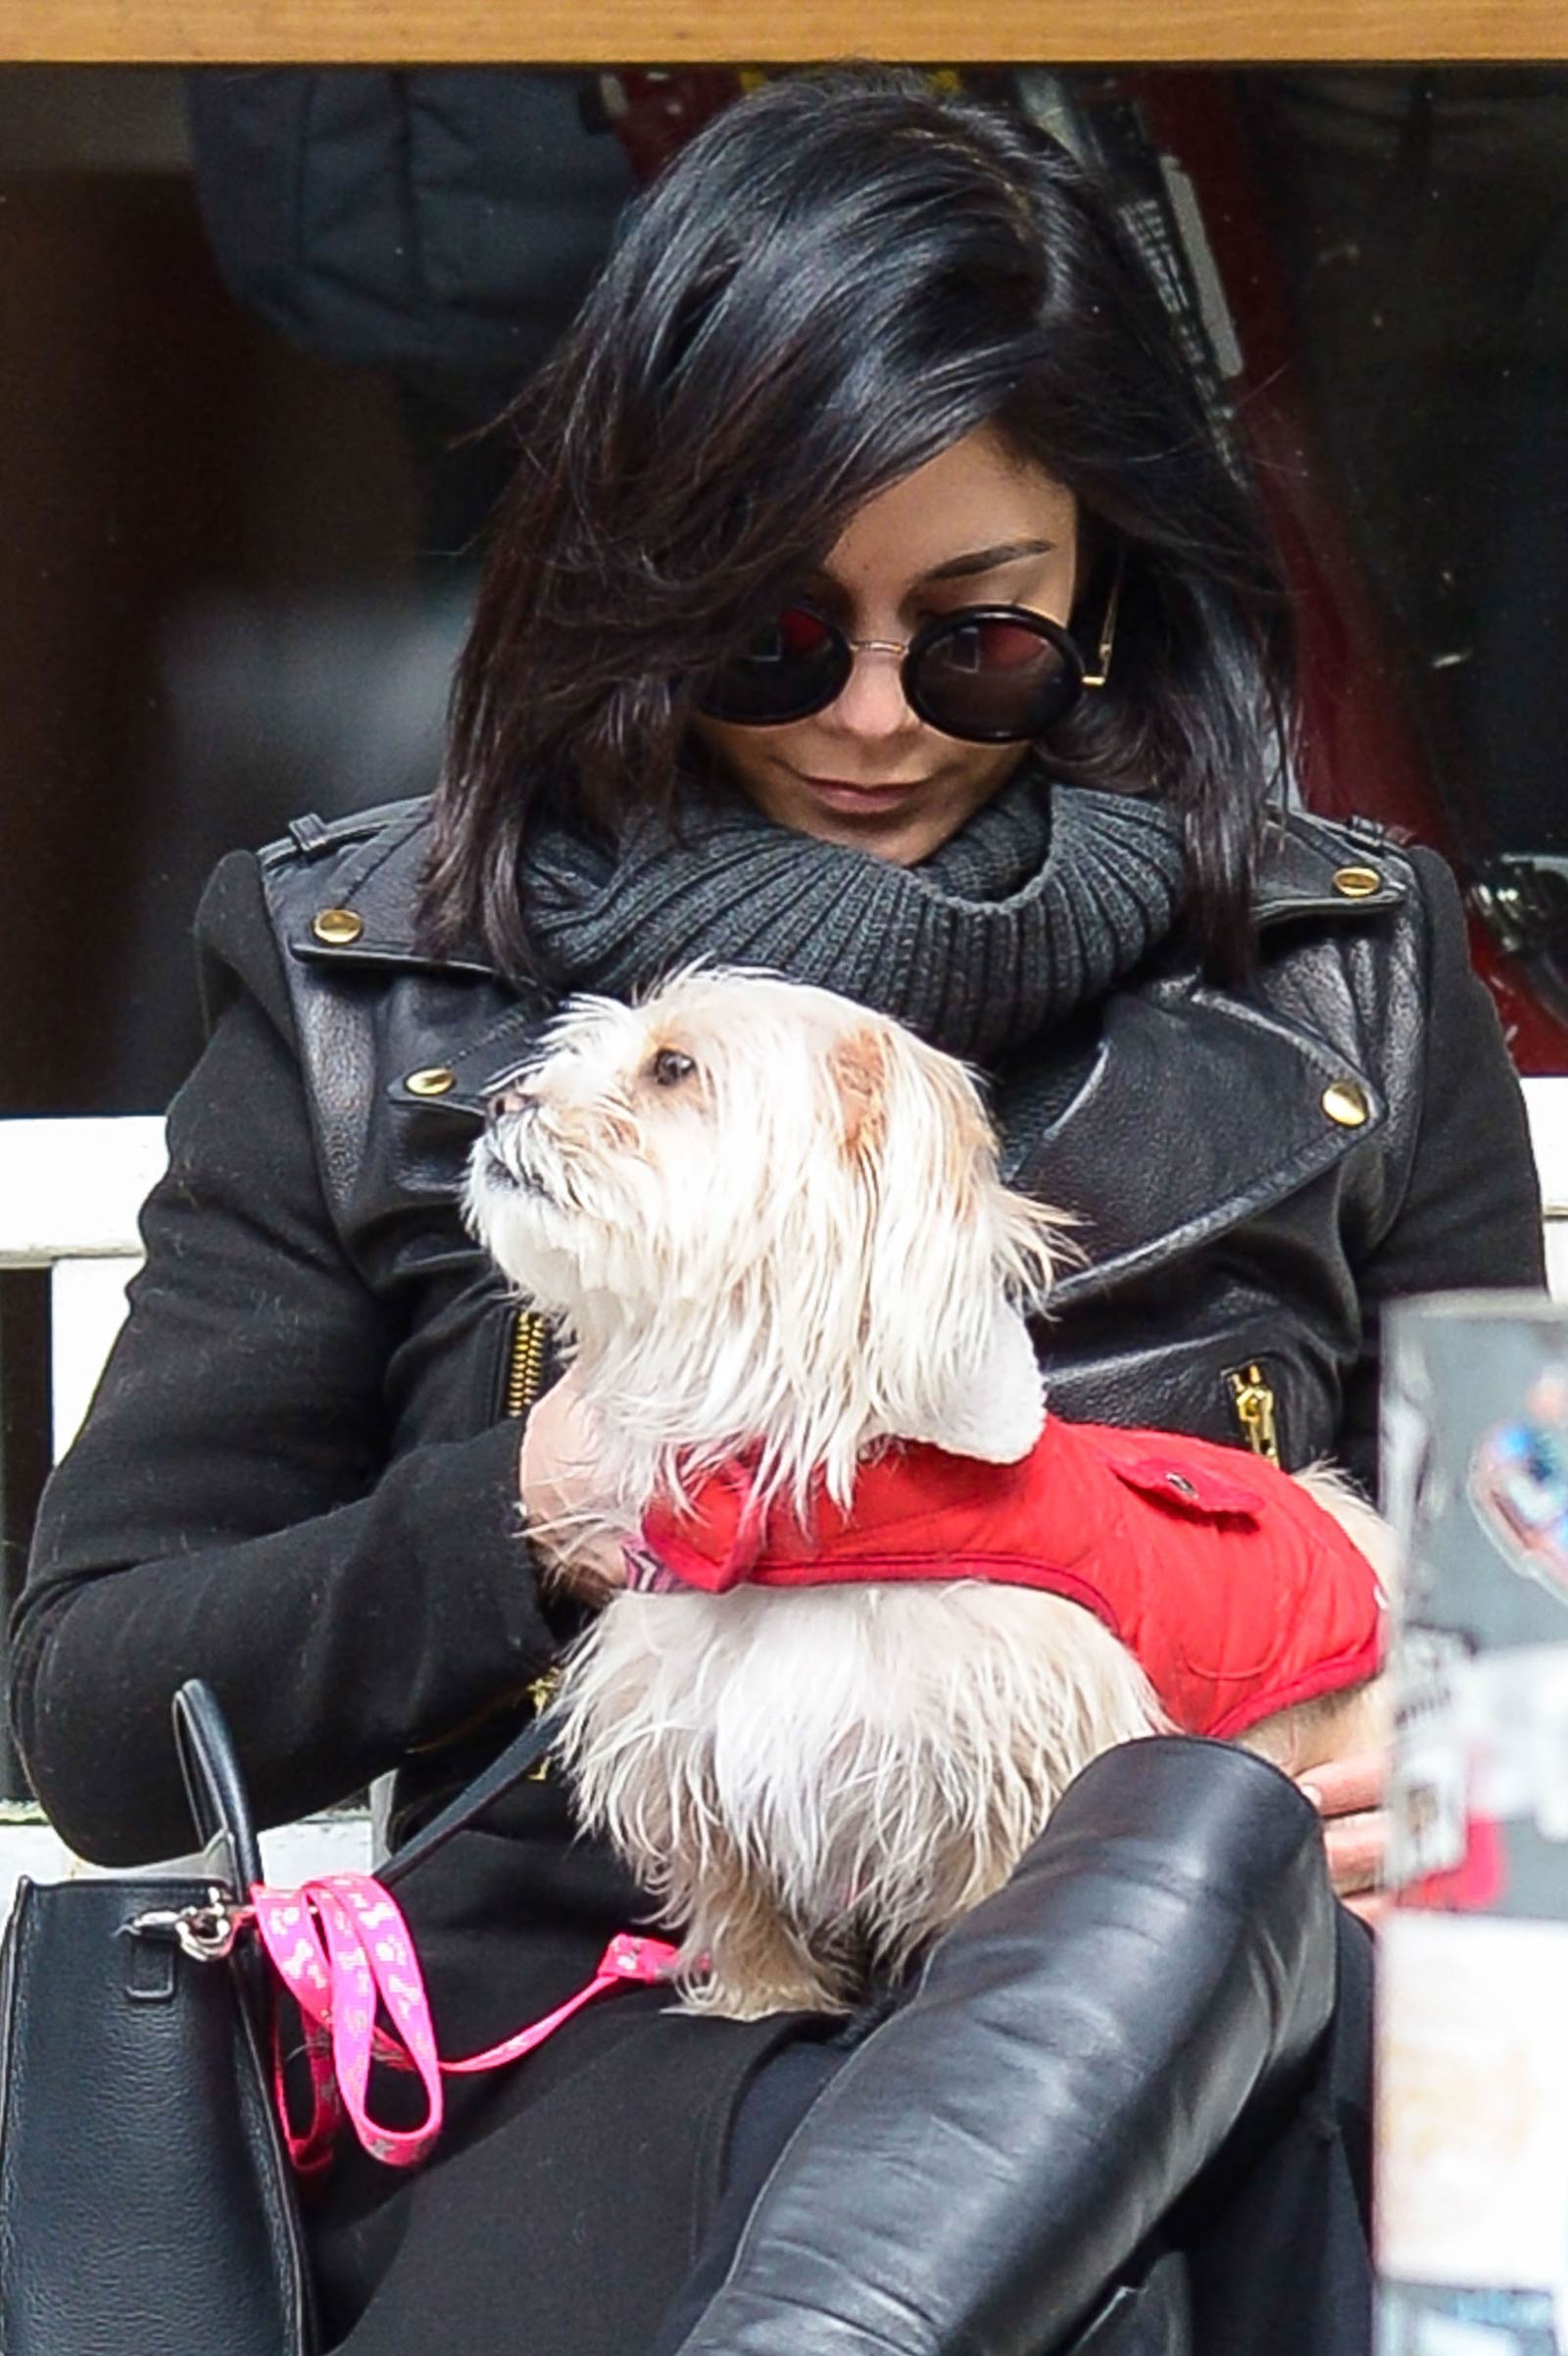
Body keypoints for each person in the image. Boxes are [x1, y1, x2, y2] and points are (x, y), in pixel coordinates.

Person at [11, 67, 1544, 2356]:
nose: (867, 721)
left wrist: (1402, 1780)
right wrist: (533, 1506)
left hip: (1224, 2035)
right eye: (765, 637)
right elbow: (106, 1714)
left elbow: (1499, 1669)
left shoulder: (1334, 960)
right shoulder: (378, 977)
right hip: (614, 2036)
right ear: (640, 583)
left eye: (974, 638)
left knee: (1198, 1852)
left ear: (1102, 589)